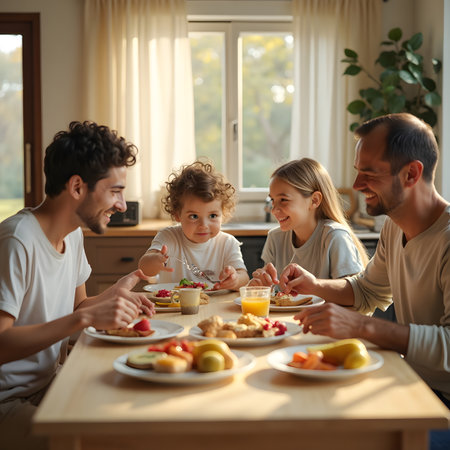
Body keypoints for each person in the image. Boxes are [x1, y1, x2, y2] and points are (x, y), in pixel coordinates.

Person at [278, 114, 449, 448]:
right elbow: (368, 290)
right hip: (413, 385)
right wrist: (314, 285)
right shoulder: (394, 226)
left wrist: (363, 327)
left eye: (369, 173)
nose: (356, 185)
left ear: (412, 173)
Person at [0, 121, 155, 450]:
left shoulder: (71, 234)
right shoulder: (17, 240)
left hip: (49, 385)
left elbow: (77, 309)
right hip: (7, 402)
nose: (122, 205)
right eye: (114, 191)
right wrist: (85, 319)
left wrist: (118, 292)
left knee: (139, 415)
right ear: (76, 187)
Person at [250, 158, 368, 287]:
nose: (274, 210)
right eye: (272, 200)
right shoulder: (275, 237)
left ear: (314, 200)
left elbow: (352, 294)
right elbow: (274, 293)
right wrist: (260, 286)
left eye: (283, 199)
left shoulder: (335, 236)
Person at [139, 160, 249, 290]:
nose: (203, 225)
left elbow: (244, 277)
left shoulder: (227, 243)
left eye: (212, 216)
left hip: (214, 305)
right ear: (177, 215)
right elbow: (144, 268)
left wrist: (235, 279)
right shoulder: (168, 237)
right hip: (174, 306)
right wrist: (155, 260)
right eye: (194, 216)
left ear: (223, 213)